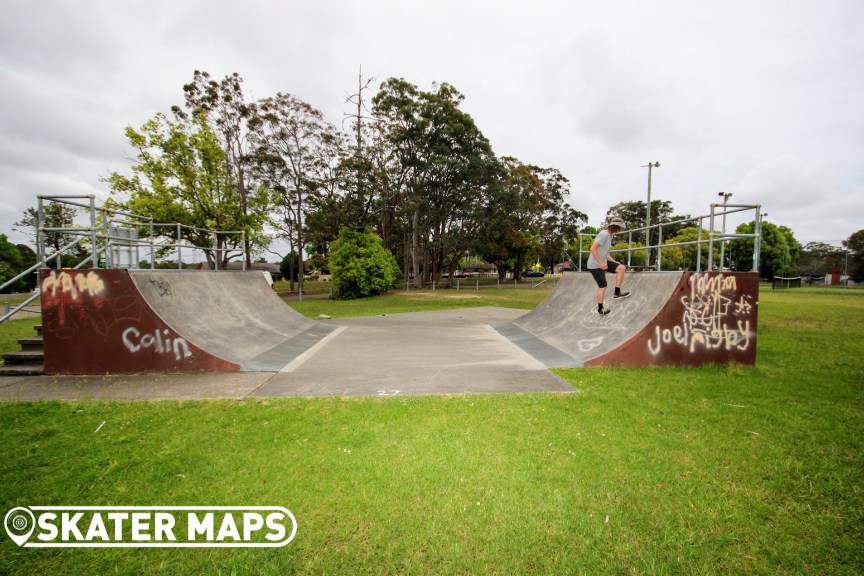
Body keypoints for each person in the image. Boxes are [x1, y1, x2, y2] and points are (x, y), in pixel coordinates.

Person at [587, 217, 631, 315]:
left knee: (621, 268)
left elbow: (605, 253)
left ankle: (617, 292)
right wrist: (601, 263)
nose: (620, 230)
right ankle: (600, 309)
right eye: (620, 228)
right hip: (595, 265)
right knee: (603, 286)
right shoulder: (604, 234)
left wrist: (614, 262)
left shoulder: (609, 235)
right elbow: (593, 248)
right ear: (616, 227)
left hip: (603, 262)